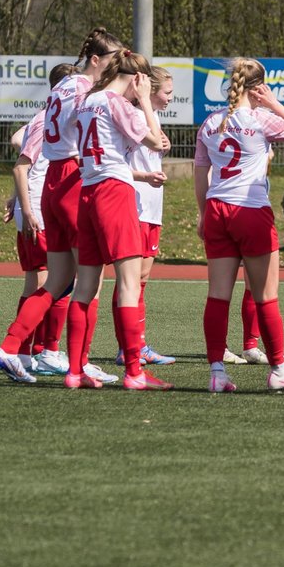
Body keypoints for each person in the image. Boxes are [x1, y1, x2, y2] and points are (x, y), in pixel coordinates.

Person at [0, 27, 121, 385]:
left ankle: (10, 347)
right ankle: (80, 364)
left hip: (51, 185)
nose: (116, 68)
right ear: (96, 60)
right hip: (73, 180)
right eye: (113, 61)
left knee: (58, 281)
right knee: (90, 282)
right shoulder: (85, 90)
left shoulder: (62, 87)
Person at [194, 57, 284, 393]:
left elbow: (200, 171)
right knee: (266, 296)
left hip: (217, 208)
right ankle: (278, 369)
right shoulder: (261, 119)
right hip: (250, 210)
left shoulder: (211, 122)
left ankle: (217, 371)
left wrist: (203, 213)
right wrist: (274, 103)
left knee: (217, 296)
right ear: (259, 86)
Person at [64, 48, 171, 390]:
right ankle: (135, 373)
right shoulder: (119, 103)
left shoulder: (87, 101)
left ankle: (75, 371)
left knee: (85, 286)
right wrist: (143, 102)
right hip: (114, 190)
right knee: (128, 283)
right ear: (137, 79)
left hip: (88, 191)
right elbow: (158, 143)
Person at [5, 63, 78, 377]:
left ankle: (33, 351)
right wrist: (26, 206)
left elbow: (17, 141)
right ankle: (33, 351)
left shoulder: (48, 116)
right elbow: (21, 162)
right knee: (55, 282)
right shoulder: (48, 117)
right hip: (38, 209)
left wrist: (15, 199)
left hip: (35, 205)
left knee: (45, 281)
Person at [117, 66, 177, 368]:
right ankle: (130, 345)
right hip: (136, 206)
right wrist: (144, 176)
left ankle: (137, 344)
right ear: (150, 90)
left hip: (153, 208)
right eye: (167, 92)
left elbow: (154, 150)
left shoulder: (154, 118)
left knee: (141, 280)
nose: (170, 98)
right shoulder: (135, 117)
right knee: (130, 280)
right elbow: (116, 164)